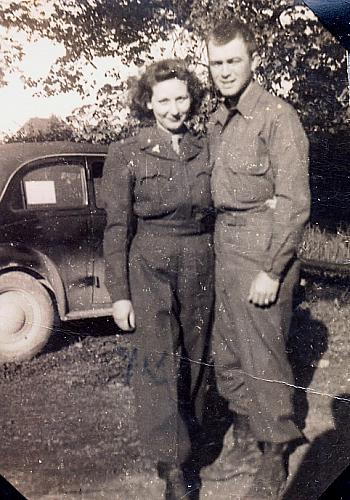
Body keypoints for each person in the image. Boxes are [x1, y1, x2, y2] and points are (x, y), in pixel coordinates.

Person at [206, 19, 310, 498]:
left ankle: (275, 452)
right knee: (226, 351)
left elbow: (293, 202)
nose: (225, 71)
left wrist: (272, 269)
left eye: (233, 61)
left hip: (261, 249)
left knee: (264, 354)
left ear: (253, 61)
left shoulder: (276, 116)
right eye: (217, 63)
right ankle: (246, 437)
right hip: (222, 245)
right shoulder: (217, 120)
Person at [101, 59, 214, 499]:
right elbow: (116, 229)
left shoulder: (205, 149)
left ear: (192, 100)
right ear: (148, 103)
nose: (173, 108)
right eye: (163, 99)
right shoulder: (126, 153)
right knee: (158, 363)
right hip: (148, 262)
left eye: (181, 98)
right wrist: (120, 295)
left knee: (200, 357)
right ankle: (172, 468)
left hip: (202, 260)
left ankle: (194, 444)